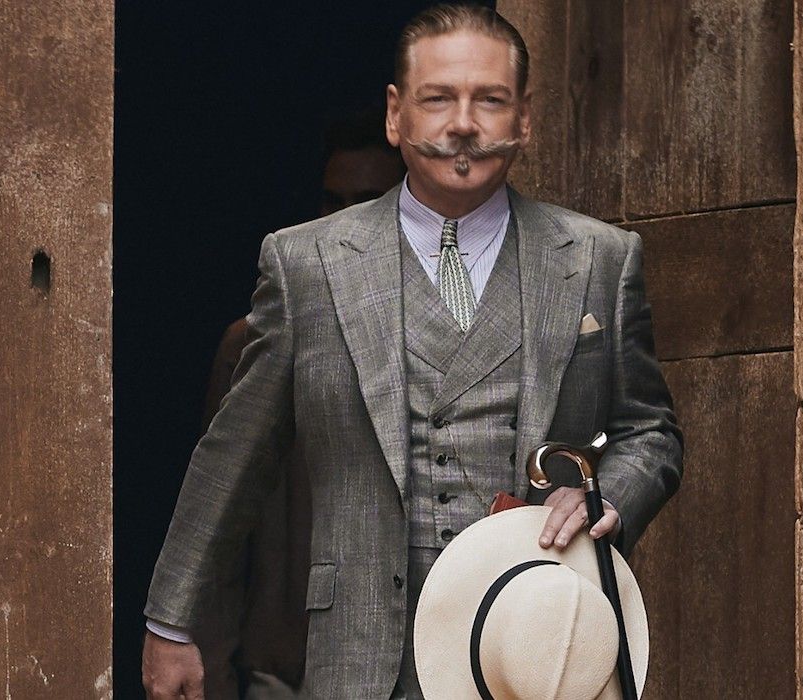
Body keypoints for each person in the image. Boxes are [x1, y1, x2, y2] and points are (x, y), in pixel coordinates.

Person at [143, 5, 683, 699]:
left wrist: (609, 495)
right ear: (397, 116)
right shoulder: (308, 264)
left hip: (531, 641)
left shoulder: (601, 261)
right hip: (363, 656)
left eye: (489, 100)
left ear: (523, 119)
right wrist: (172, 621)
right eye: (439, 99)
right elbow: (233, 456)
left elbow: (650, 431)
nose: (463, 122)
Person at [192, 113, 407, 699]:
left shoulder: (442, 343)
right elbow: (219, 519)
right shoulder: (253, 344)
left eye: (368, 200)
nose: (345, 220)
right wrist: (209, 667)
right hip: (281, 670)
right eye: (332, 200)